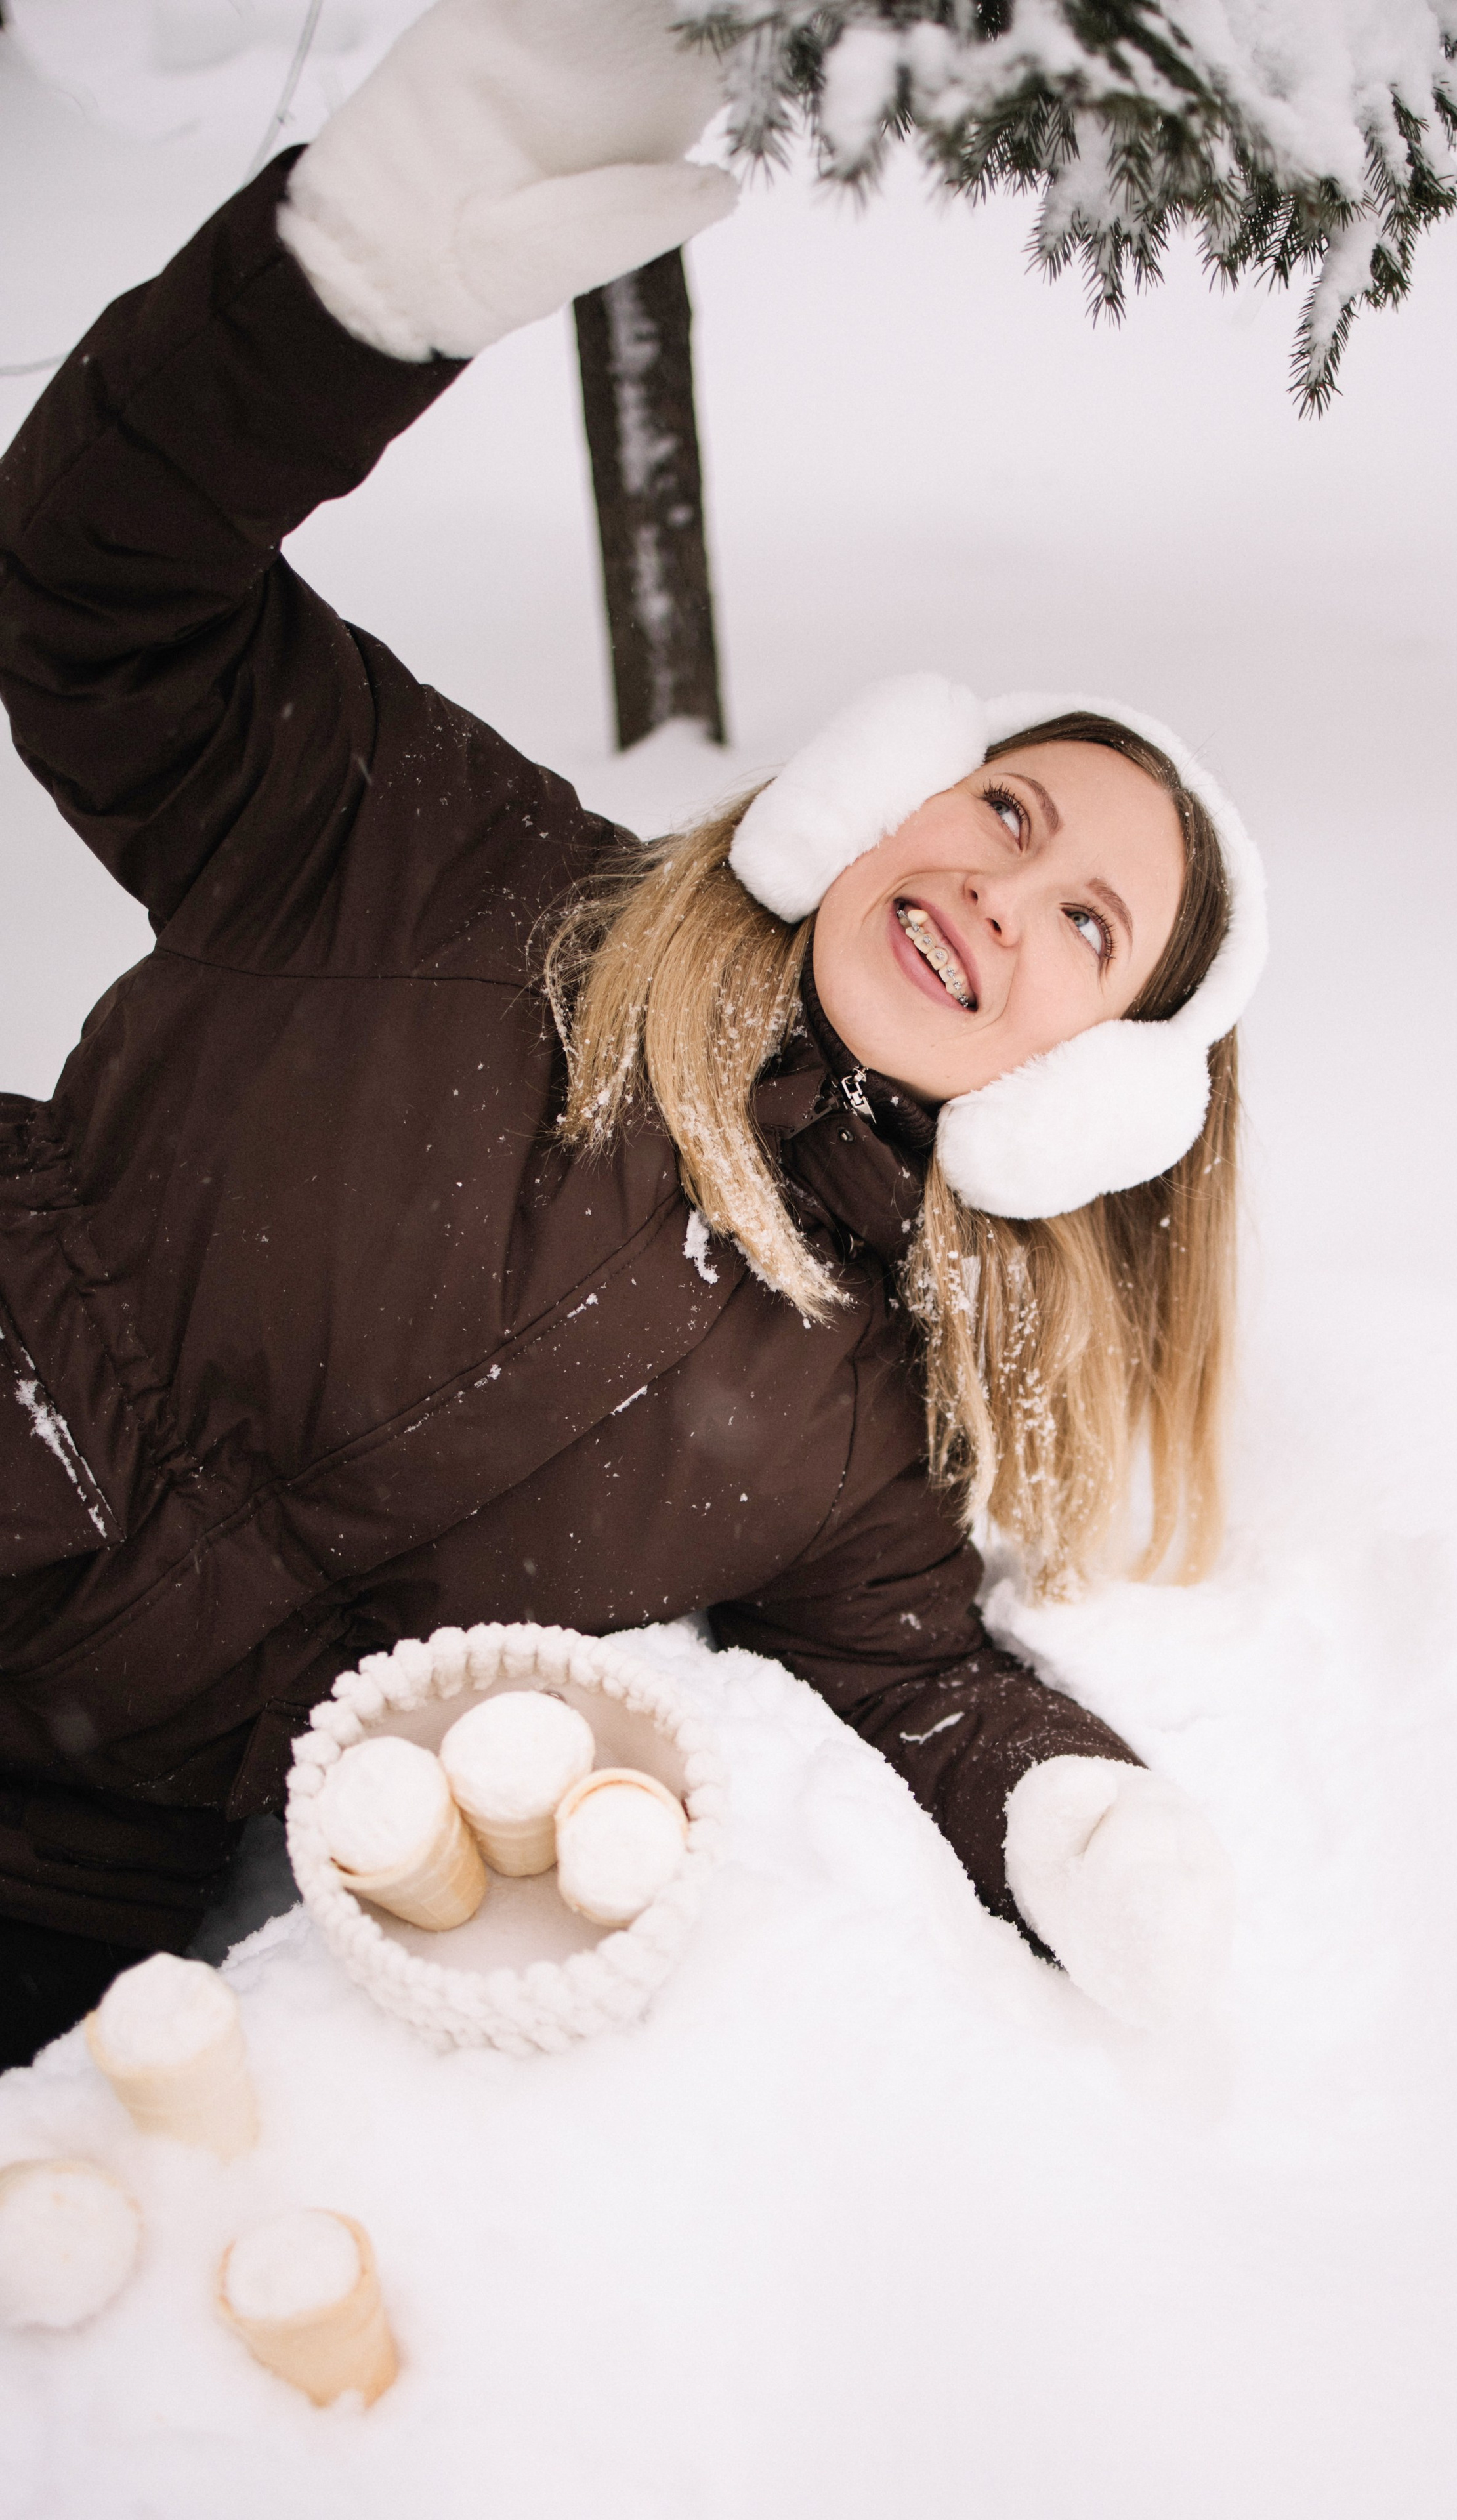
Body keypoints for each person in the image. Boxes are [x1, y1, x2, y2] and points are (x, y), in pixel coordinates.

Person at [0, 0, 1263, 2069]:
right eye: (1009, 813)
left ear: (1095, 1099)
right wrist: (353, 286)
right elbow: (91, 580)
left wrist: (1069, 1819)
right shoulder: (455, 872)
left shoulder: (860, 1429)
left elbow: (919, 1674)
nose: (992, 896)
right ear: (899, 783)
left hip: (64, 1872)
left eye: (1085, 927)